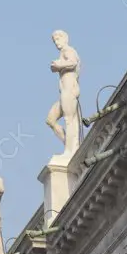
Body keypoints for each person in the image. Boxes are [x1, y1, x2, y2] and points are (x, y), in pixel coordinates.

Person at [45, 30, 81, 158]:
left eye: (58, 39)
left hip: (69, 92)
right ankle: (69, 144)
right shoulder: (63, 52)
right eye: (54, 40)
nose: (56, 42)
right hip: (64, 93)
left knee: (69, 120)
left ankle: (71, 151)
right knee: (50, 120)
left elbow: (73, 62)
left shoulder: (68, 50)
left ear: (65, 38)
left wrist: (59, 65)